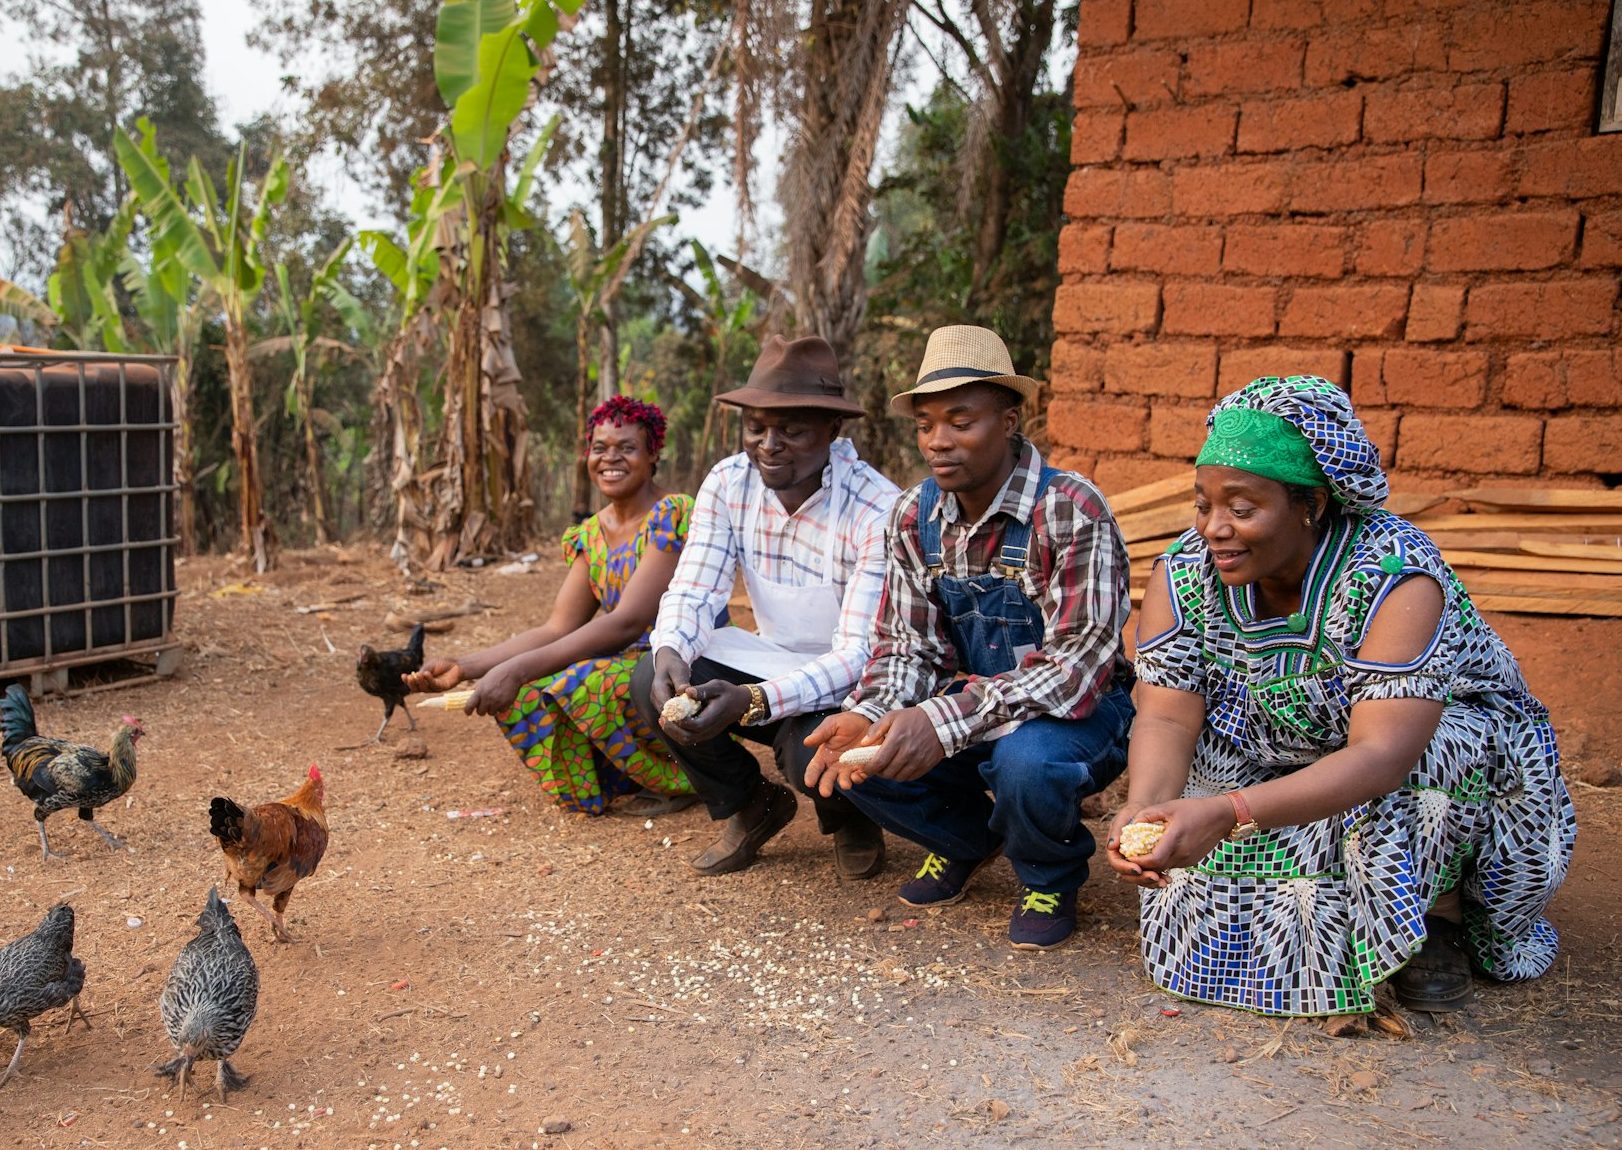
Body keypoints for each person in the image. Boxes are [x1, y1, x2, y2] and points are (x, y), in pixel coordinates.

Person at [1105, 375, 1572, 1017]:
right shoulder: (1185, 573)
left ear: (1313, 505)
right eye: (1203, 504)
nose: (1215, 528)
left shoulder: (1393, 574)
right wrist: (1145, 807)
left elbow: (1381, 752)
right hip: (1274, 746)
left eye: (1242, 509)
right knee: (1195, 797)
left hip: (1401, 755)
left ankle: (1439, 912)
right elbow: (1165, 715)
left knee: (1440, 755)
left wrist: (1231, 811)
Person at [803, 325, 1135, 950]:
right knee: (847, 756)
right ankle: (965, 839)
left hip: (1080, 711)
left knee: (1027, 763)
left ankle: (1049, 874)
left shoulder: (1070, 509)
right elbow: (908, 647)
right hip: (967, 706)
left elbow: (1075, 667)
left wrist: (940, 719)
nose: (938, 442)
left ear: (1010, 420)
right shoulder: (911, 516)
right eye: (926, 425)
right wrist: (868, 712)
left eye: (960, 420)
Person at [633, 335, 901, 879]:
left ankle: (849, 819)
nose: (769, 444)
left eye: (792, 430)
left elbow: (859, 653)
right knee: (650, 680)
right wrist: (670, 653)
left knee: (812, 759)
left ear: (833, 431)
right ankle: (751, 804)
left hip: (851, 680)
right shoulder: (729, 483)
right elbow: (694, 589)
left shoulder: (878, 508)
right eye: (756, 427)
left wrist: (754, 701)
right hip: (772, 658)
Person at [406, 396, 698, 817]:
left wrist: (518, 668)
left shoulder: (672, 514)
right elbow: (556, 628)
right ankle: (622, 777)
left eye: (627, 448)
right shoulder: (590, 534)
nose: (610, 458)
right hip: (626, 664)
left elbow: (627, 622)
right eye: (600, 448)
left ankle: (686, 776)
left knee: (579, 681)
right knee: (527, 690)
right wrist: (466, 666)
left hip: (683, 664)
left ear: (653, 454)